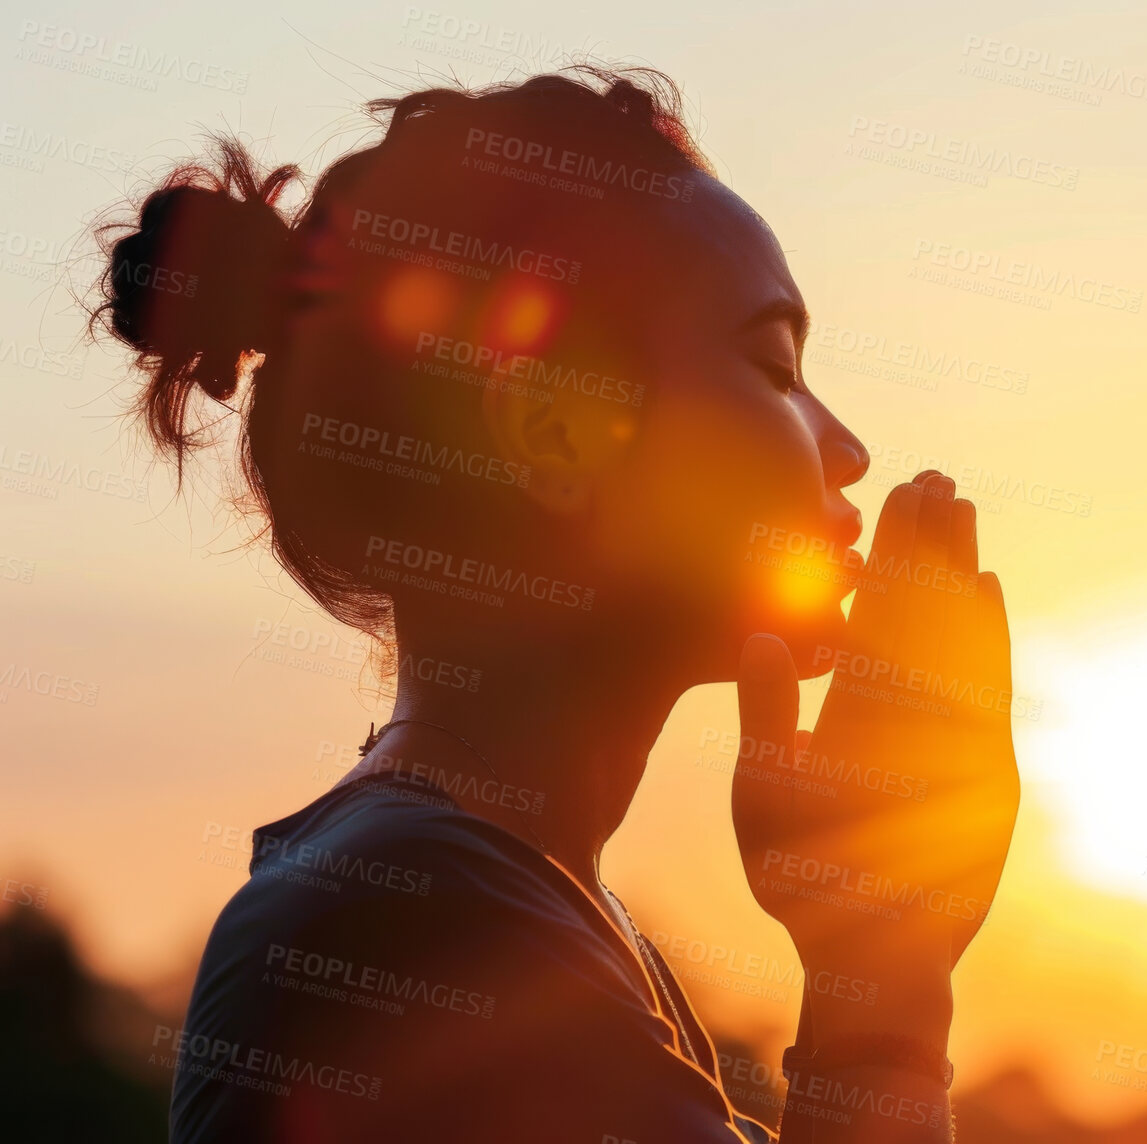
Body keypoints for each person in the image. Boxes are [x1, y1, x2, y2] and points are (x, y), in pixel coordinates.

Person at [92, 64, 1020, 1142]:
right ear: (553, 430)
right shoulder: (417, 919)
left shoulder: (500, 899)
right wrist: (884, 972)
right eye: (771, 365)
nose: (847, 450)